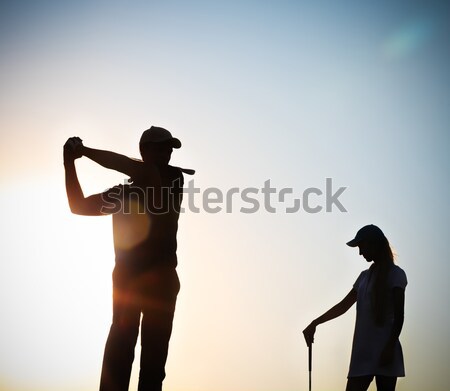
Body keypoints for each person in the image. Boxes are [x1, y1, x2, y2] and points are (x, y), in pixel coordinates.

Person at [64, 126, 193, 391]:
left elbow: (131, 167)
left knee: (152, 367)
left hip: (161, 281)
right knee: (119, 357)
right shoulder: (121, 194)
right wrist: (69, 165)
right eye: (162, 147)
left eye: (170, 147)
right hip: (128, 282)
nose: (168, 152)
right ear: (145, 151)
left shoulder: (173, 178)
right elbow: (77, 206)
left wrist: (83, 152)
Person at [302, 225, 407, 391]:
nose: (360, 252)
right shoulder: (364, 277)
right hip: (362, 353)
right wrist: (315, 323)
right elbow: (343, 306)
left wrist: (389, 347)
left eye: (362, 247)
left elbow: (399, 316)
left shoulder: (396, 274)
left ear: (374, 244)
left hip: (386, 351)